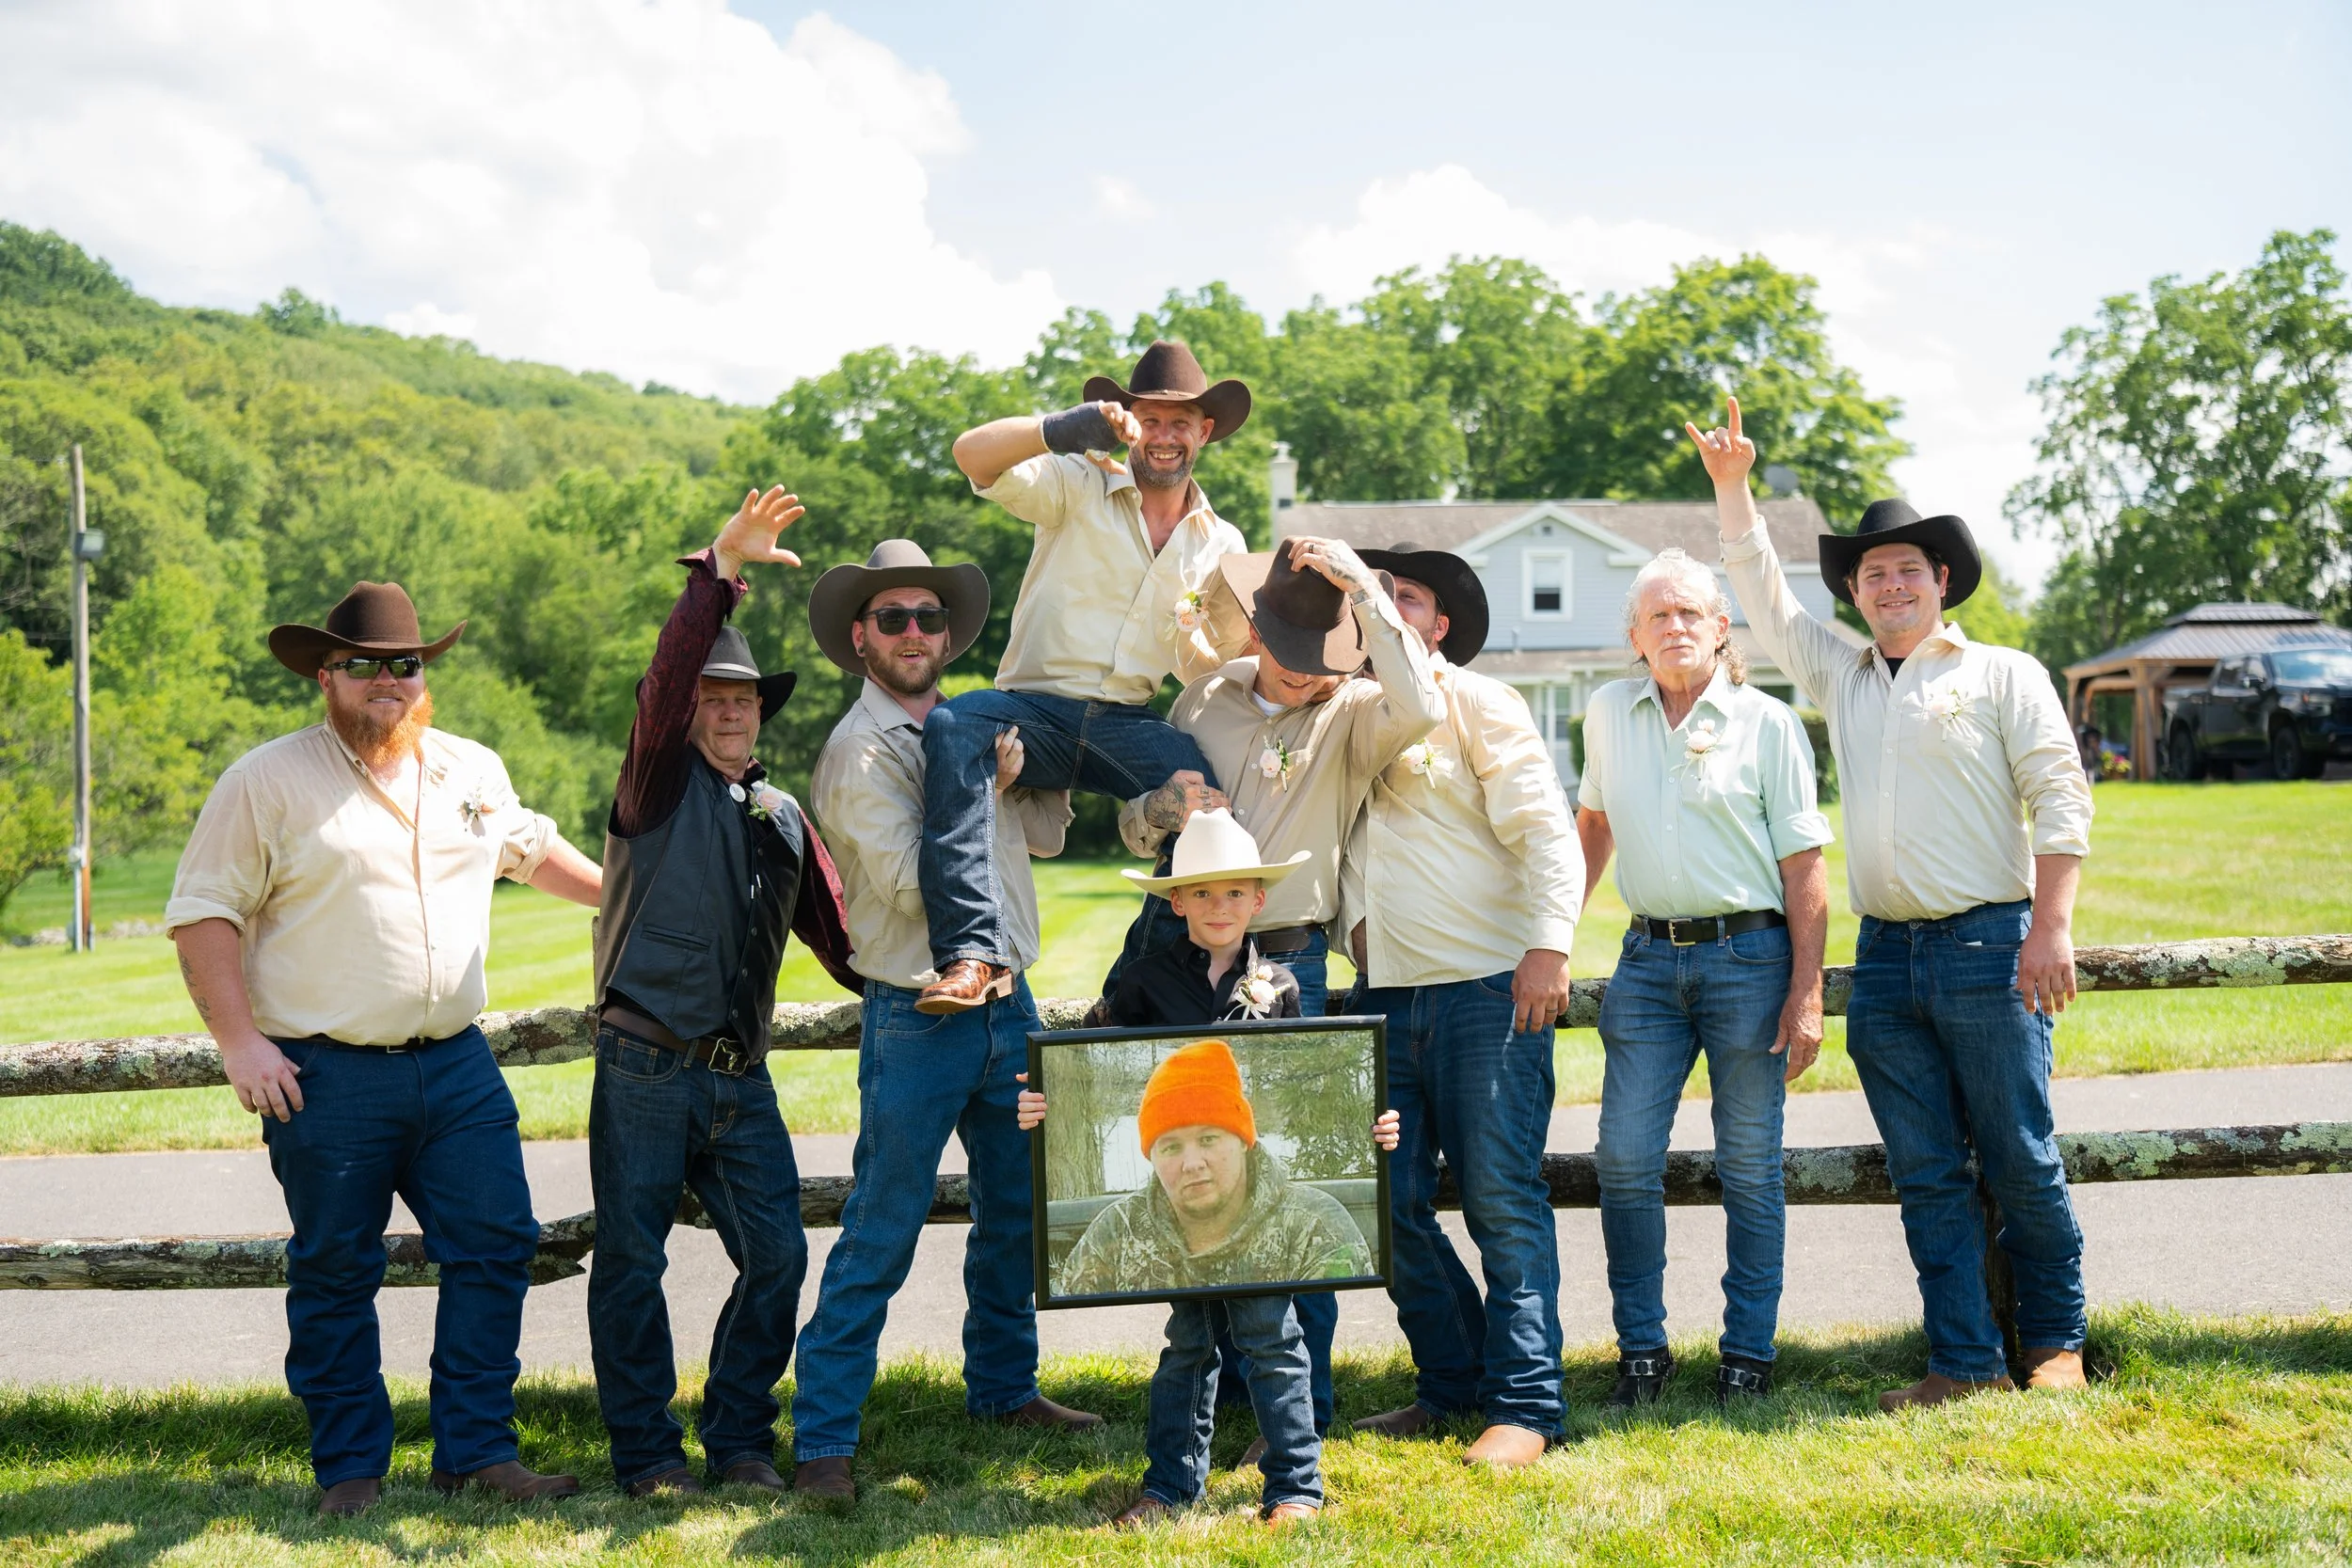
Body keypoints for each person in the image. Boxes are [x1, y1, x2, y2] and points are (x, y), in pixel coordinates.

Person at [164, 579, 605, 1516]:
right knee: (335, 1269)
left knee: (496, 1245)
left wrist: (633, 899)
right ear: (326, 673)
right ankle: (352, 1472)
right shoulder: (267, 779)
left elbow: (527, 849)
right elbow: (203, 912)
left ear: (423, 673)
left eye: (404, 663)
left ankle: (476, 1452)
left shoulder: (468, 771)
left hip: (455, 1063)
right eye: (362, 664)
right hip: (325, 1074)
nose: (387, 680)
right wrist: (240, 1042)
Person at [1689, 397, 2096, 1409]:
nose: (1891, 583)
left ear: (1940, 581)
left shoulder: (2002, 673)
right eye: (1873, 573)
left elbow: (2059, 792)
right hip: (1885, 961)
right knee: (1924, 1172)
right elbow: (1764, 598)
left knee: (2019, 1155)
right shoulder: (1843, 674)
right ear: (1858, 593)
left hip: (1989, 944)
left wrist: (2050, 925)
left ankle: (2053, 1340)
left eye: (1908, 568)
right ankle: (1960, 1359)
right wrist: (1733, 489)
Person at [789, 540, 1104, 1508]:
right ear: (860, 638)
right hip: (919, 1010)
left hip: (1007, 1002)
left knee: (1013, 1210)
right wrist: (982, 785)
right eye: (893, 619)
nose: (915, 632)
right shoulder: (860, 750)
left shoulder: (970, 728)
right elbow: (907, 880)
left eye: (929, 617)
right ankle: (824, 1441)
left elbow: (1047, 835)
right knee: (881, 1224)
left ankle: (1005, 1389)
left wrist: (1025, 770)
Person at [1116, 533, 1444, 1437]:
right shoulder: (1203, 698)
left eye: (1325, 664)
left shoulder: (1358, 709)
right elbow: (1133, 827)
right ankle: (1217, 1401)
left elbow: (1421, 698)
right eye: (1295, 663)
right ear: (1257, 634)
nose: (1310, 679)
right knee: (1200, 1168)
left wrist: (1364, 591)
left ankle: (1301, 1409)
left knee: (1291, 1176)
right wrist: (1162, 811)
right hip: (1179, 945)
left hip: (1286, 959)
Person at [585, 487, 862, 1498]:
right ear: (686, 708)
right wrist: (720, 572)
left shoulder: (784, 814)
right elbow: (664, 677)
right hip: (645, 1063)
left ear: (760, 709)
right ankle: (648, 1456)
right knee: (629, 1263)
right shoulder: (653, 780)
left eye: (741, 695)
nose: (728, 705)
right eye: (710, 694)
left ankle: (741, 1436)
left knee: (779, 1257)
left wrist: (945, 977)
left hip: (740, 1080)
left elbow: (846, 939)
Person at [1334, 541, 1585, 1468]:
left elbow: (1544, 831)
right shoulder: (1348, 716)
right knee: (1387, 1204)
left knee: (1500, 1201)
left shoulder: (1479, 700)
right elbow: (1338, 854)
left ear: (1437, 624)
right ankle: (1451, 1382)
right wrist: (1356, 938)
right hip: (1386, 1001)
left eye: (1405, 597)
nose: (1386, 608)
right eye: (1374, 596)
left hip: (1489, 990)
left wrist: (1548, 946)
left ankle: (1526, 1405)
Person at [916, 340, 1255, 1014]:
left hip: (1127, 720)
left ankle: (1125, 993)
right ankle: (971, 955)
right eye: (1149, 420)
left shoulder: (1223, 543)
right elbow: (969, 455)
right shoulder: (1078, 479)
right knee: (953, 723)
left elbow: (1221, 665)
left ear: (1204, 432)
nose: (1164, 437)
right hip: (1034, 709)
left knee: (1207, 803)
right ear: (1127, 419)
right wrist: (1063, 428)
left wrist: (1197, 645)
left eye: (1180, 422)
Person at [1574, 548, 1834, 1409]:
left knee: (1751, 1164)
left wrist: (1806, 991)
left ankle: (1747, 1354)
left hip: (1749, 961)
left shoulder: (1768, 722)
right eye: (1658, 615)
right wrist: (1549, 932)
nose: (1675, 626)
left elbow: (1805, 868)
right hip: (1647, 962)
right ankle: (1641, 1352)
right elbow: (1595, 828)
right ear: (1636, 637)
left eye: (1691, 612)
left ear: (1723, 629)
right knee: (1622, 1157)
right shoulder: (1609, 712)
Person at [1018, 1037, 1399, 1529]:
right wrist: (1046, 1095)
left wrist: (1379, 1129)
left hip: (1265, 1278)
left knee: (1273, 1340)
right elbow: (1072, 1277)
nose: (1191, 1161)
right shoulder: (1119, 1227)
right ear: (1152, 1156)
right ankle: (1168, 1489)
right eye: (1171, 1145)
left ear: (1243, 1139)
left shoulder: (1315, 1218)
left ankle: (1296, 1487)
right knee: (1186, 1350)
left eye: (1209, 1138)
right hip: (1186, 1292)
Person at [1108, 806, 1311, 1028]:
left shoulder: (1281, 985)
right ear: (1177, 902)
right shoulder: (1143, 981)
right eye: (1201, 893)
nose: (1219, 907)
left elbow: (1287, 1060)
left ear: (1258, 901)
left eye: (1235, 893)